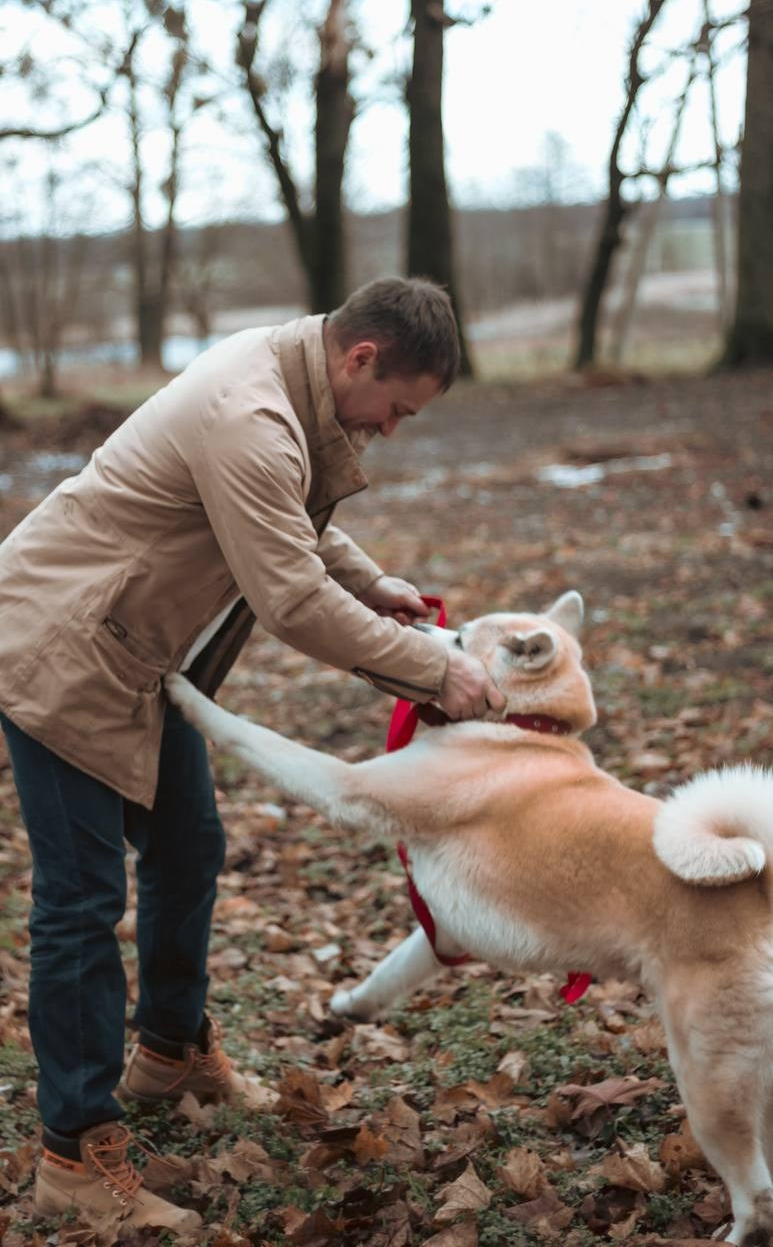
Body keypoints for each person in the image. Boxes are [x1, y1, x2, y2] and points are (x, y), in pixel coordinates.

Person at [0, 276, 505, 1233]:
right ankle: (71, 1149)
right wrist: (433, 676)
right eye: (396, 408)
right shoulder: (251, 412)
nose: (392, 429)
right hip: (60, 649)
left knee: (189, 850)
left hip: (140, 656)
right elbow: (290, 598)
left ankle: (170, 1049)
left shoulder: (289, 378)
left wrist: (373, 581)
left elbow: (286, 518)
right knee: (81, 897)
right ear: (359, 357)